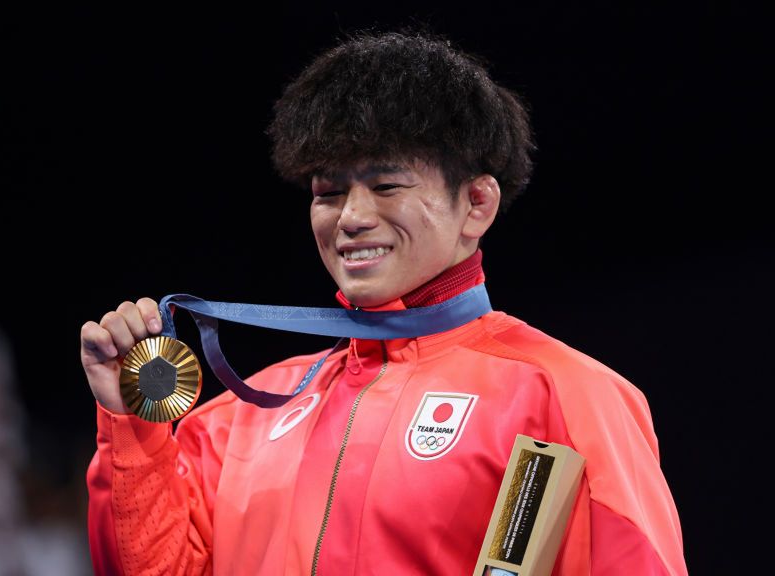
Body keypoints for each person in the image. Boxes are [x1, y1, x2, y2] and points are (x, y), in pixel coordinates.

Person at [81, 31, 687, 575]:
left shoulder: (562, 394)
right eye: (329, 192)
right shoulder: (241, 417)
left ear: (476, 204)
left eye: (387, 185)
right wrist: (131, 422)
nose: (351, 218)